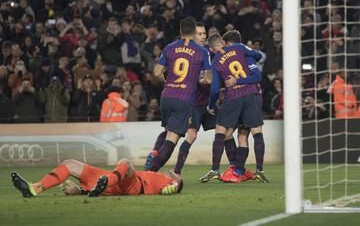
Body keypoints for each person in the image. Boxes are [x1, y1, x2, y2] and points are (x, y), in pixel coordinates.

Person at [143, 22, 215, 174]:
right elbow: (209, 80)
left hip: (168, 96)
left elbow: (156, 72)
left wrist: (170, 81)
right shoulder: (202, 52)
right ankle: (152, 173)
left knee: (170, 131)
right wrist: (198, 79)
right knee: (175, 137)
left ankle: (155, 154)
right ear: (192, 34)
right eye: (200, 34)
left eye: (204, 34)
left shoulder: (170, 47)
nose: (203, 37)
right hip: (186, 99)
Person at [199, 33, 265, 183]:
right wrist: (249, 56)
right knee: (252, 133)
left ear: (211, 48)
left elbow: (215, 89)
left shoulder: (215, 61)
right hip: (251, 95)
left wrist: (210, 105)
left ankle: (216, 169)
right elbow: (257, 56)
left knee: (221, 131)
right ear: (222, 42)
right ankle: (257, 170)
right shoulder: (239, 48)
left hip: (233, 97)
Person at [11, 158, 183, 198]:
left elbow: (173, 188)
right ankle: (35, 188)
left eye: (177, 174)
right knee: (69, 164)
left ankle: (104, 182)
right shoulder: (158, 173)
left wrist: (173, 186)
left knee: (126, 163)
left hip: (134, 186)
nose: (175, 171)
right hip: (111, 182)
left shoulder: (170, 181)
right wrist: (78, 191)